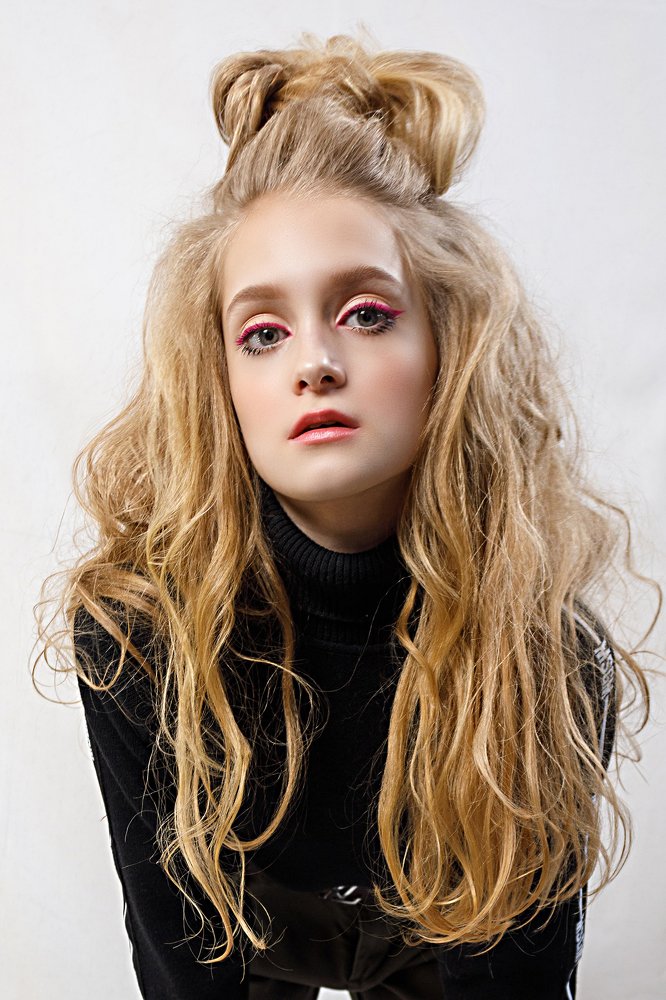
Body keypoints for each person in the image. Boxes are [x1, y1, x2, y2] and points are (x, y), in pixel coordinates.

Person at [33, 31, 656, 1000]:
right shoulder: (138, 634)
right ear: (217, 378)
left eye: (366, 314)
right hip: (243, 930)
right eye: (263, 332)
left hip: (436, 927)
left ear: (449, 346)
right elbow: (178, 963)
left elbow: (517, 981)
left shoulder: (546, 656)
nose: (314, 363)